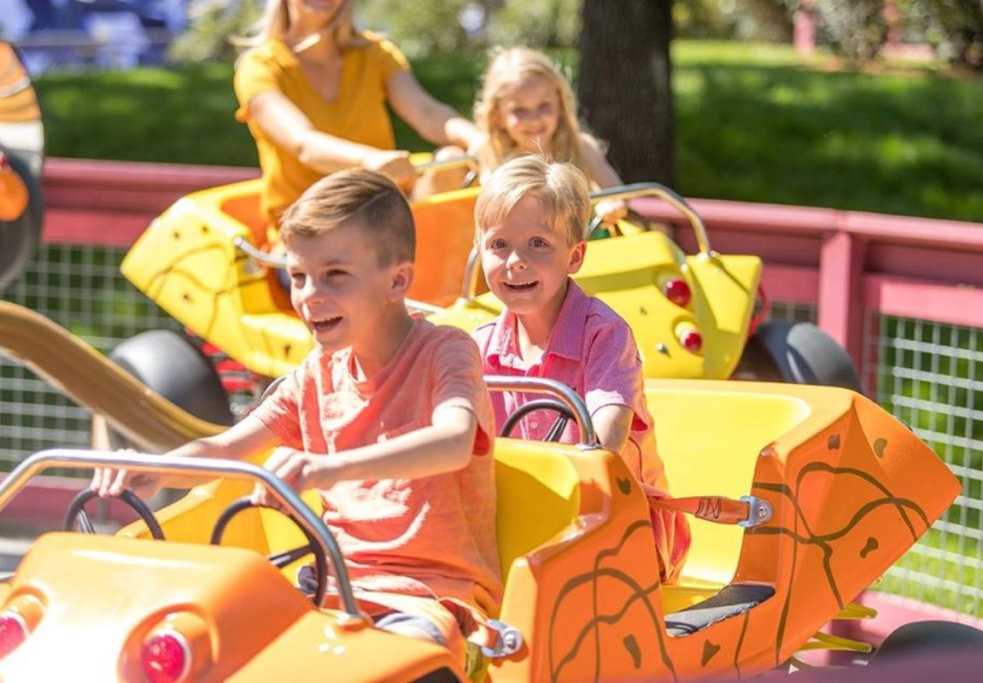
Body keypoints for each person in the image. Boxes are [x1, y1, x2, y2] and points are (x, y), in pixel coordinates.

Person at [92, 169, 502, 670]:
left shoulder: (445, 351)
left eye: (335, 275)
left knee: (401, 663)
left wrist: (327, 467)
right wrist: (154, 470)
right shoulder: (315, 375)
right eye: (299, 276)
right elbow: (226, 450)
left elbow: (454, 440)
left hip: (429, 596)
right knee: (198, 640)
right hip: (331, 585)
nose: (309, 295)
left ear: (397, 280)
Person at [471, 155, 690, 582]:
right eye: (499, 244)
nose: (515, 260)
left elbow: (604, 443)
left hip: (619, 523)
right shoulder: (480, 346)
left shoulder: (603, 335)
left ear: (575, 256)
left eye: (538, 244)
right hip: (526, 518)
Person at [234, 0, 482, 239]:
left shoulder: (374, 53)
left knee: (452, 160)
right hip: (308, 232)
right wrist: (368, 160)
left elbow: (426, 112)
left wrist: (477, 139)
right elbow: (303, 143)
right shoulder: (260, 67)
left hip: (383, 215)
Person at [432, 46, 626, 224]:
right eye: (519, 110)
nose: (534, 119)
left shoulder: (581, 147)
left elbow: (618, 194)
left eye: (544, 106)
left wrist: (611, 205)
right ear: (498, 116)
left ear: (559, 104)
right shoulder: (493, 156)